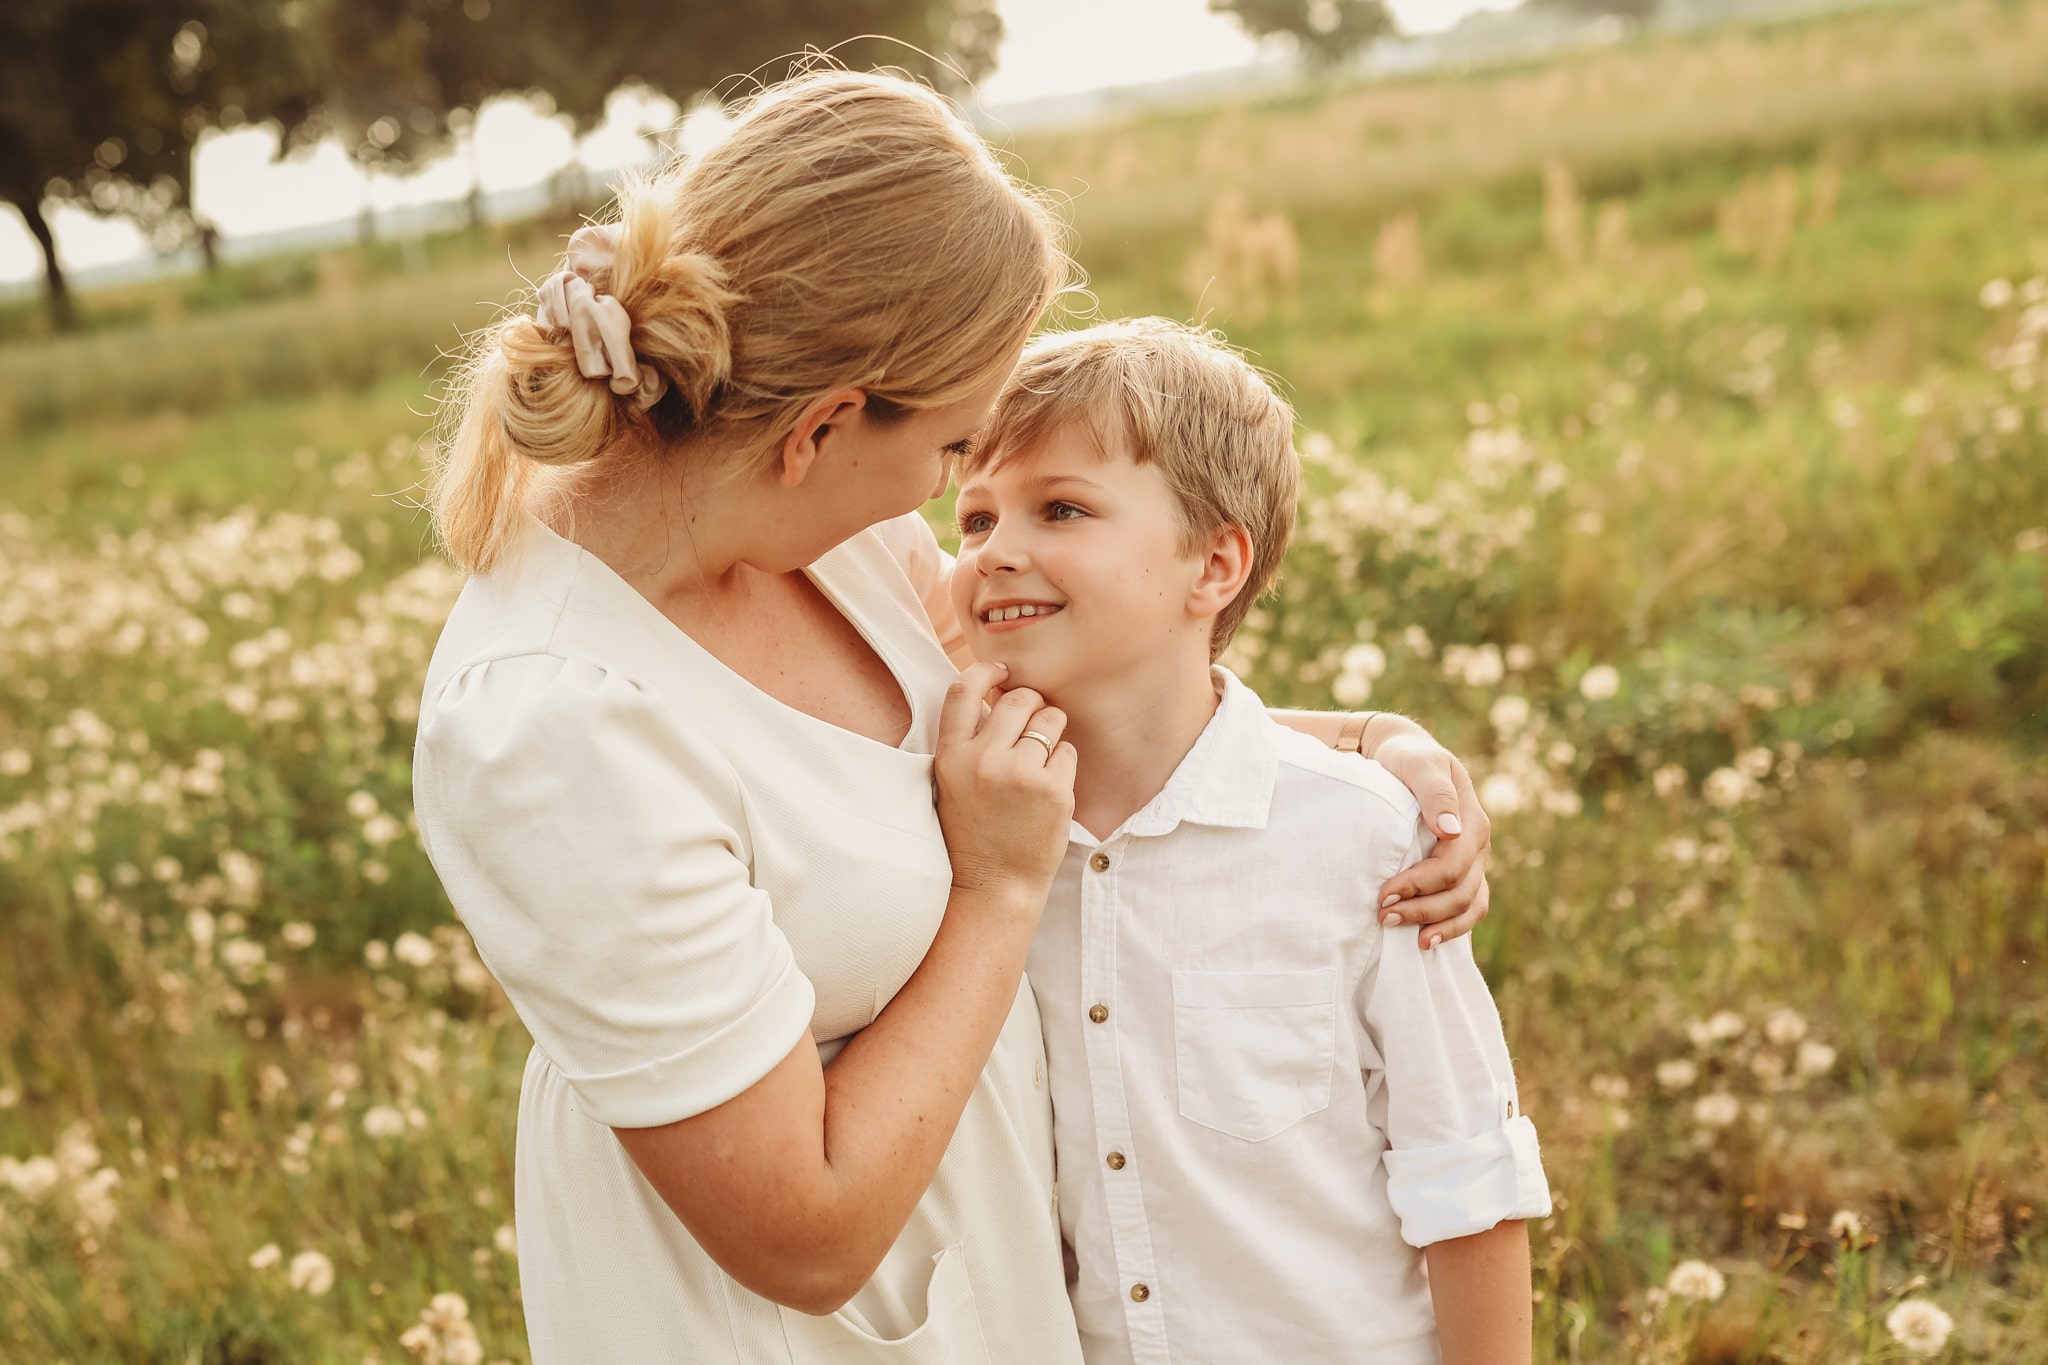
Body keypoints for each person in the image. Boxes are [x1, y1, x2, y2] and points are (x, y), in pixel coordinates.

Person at [410, 68, 1495, 1362]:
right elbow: (802, 1238)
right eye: (951, 454)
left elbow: (1067, 707)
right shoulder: (549, 722)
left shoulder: (831, 535)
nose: (948, 508)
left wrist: (1366, 746)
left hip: (991, 1270)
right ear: (819, 426)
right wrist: (995, 892)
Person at [949, 318, 1550, 1365]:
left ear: (1213, 564)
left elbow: (1466, 1175)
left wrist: (1376, 743)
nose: (997, 549)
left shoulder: (1362, 838)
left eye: (1061, 509)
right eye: (973, 517)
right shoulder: (977, 825)